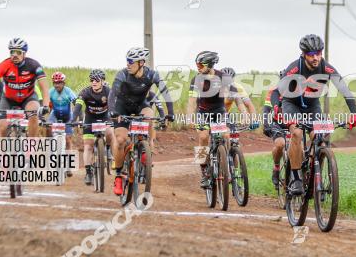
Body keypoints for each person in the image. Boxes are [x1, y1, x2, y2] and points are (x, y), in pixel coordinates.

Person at [278, 34, 356, 195]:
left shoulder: (326, 68)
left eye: (319, 53)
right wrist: (277, 107)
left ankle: (316, 178)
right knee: (297, 133)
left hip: (312, 106)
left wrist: (355, 113)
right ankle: (295, 179)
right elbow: (277, 91)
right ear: (303, 54)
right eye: (311, 54)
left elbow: (344, 89)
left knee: (320, 137)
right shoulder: (294, 68)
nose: (315, 57)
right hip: (291, 104)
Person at [108, 47, 174, 196]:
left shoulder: (151, 74)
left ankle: (145, 148)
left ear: (141, 63)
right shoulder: (123, 74)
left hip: (140, 106)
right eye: (127, 61)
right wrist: (112, 111)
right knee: (120, 140)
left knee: (149, 116)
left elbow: (165, 91)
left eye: (131, 62)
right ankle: (118, 175)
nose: (128, 64)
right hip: (122, 107)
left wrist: (171, 113)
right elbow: (112, 93)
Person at [0, 37, 50, 138]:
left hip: (28, 98)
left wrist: (46, 105)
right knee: (2, 127)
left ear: (24, 53)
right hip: (8, 99)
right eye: (12, 52)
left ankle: (31, 148)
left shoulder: (34, 65)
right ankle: (2, 153)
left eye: (18, 52)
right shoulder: (3, 66)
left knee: (34, 115)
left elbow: (44, 88)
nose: (14, 55)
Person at [185, 51, 235, 189]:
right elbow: (191, 101)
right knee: (203, 136)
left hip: (219, 111)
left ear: (210, 64)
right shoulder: (196, 79)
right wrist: (190, 117)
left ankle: (228, 163)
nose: (198, 67)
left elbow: (235, 96)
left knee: (225, 135)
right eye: (197, 64)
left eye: (200, 64)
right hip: (202, 113)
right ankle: (204, 172)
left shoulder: (223, 77)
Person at [73, 69, 116, 186]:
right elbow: (78, 106)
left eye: (97, 80)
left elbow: (113, 105)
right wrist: (73, 119)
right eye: (92, 80)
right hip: (90, 118)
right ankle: (88, 172)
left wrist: (115, 116)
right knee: (88, 146)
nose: (94, 82)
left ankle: (107, 149)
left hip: (105, 117)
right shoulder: (85, 92)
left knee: (110, 131)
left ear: (102, 81)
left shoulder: (109, 91)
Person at [262, 71, 286, 188]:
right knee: (280, 144)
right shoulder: (273, 91)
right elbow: (266, 110)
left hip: (293, 122)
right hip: (277, 122)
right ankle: (276, 167)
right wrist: (266, 124)